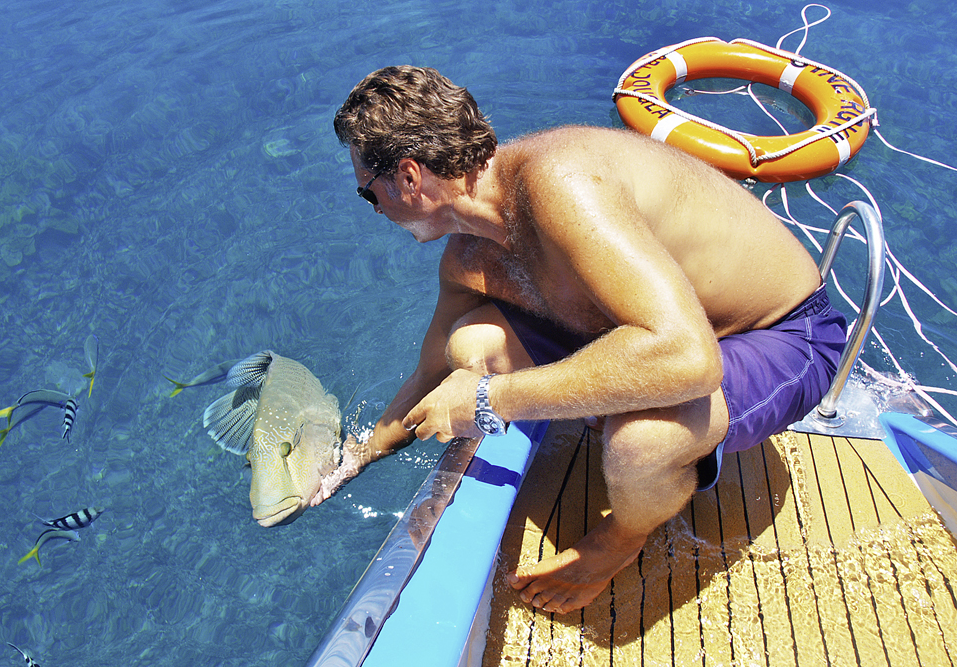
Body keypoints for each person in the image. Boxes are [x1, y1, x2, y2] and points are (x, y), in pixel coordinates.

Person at [313, 65, 847, 615]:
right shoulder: (468, 258)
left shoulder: (561, 185)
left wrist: (486, 401)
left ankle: (623, 539)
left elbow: (690, 359)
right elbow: (430, 376)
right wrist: (351, 461)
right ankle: (615, 409)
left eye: (367, 194)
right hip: (661, 326)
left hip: (780, 333)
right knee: (469, 346)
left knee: (640, 440)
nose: (374, 209)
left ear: (407, 177)